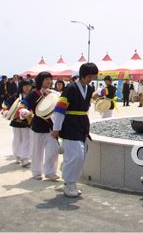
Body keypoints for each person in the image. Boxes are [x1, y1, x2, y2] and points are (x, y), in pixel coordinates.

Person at [51, 63, 99, 197]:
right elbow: (60, 109)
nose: (91, 79)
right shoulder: (70, 89)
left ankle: (71, 181)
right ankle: (68, 183)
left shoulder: (89, 89)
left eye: (93, 77)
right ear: (83, 75)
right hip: (70, 124)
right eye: (90, 76)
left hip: (83, 123)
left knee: (81, 156)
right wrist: (56, 128)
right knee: (76, 155)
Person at [22, 71, 60, 181]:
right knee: (37, 151)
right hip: (38, 126)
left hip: (51, 127)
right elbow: (24, 104)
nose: (49, 81)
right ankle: (37, 172)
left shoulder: (54, 94)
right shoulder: (34, 93)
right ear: (40, 81)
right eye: (46, 79)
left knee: (54, 149)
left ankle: (50, 172)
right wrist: (23, 111)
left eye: (50, 79)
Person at [2, 80, 32, 166]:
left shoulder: (32, 96)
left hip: (27, 120)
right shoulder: (15, 96)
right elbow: (5, 105)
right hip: (16, 121)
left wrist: (29, 114)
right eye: (25, 86)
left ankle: (25, 158)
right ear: (21, 87)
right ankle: (17, 156)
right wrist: (6, 112)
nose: (27, 88)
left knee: (27, 139)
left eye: (29, 86)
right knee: (17, 139)